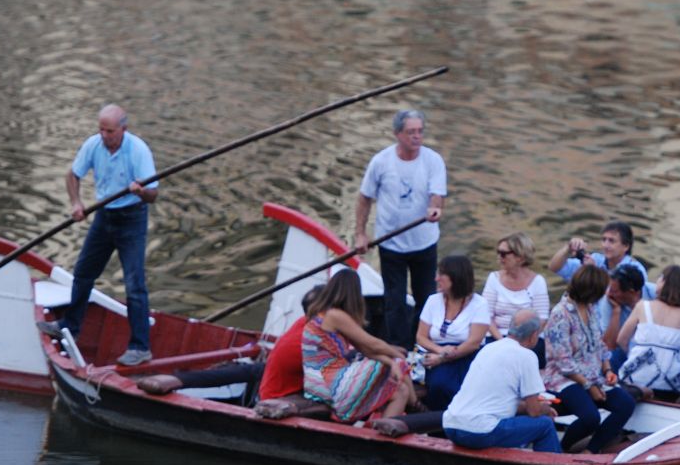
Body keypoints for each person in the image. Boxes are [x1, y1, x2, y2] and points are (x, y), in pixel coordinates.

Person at [37, 104, 159, 367]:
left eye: (110, 131)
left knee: (134, 284)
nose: (105, 136)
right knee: (83, 273)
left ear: (123, 130)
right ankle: (70, 325)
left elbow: (153, 194)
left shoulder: (138, 150)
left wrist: (140, 191)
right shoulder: (93, 145)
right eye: (101, 130)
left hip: (132, 218)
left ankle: (140, 347)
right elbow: (73, 175)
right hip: (105, 216)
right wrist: (76, 203)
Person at [354, 109, 447, 350]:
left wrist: (434, 209)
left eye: (420, 131)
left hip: (424, 243)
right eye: (411, 132)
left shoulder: (433, 160)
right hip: (391, 244)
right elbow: (365, 199)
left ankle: (420, 345)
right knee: (393, 300)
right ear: (398, 134)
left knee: (425, 299)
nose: (417, 137)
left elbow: (437, 195)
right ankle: (397, 350)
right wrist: (361, 233)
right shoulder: (381, 162)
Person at [137, 284, 324, 403]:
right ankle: (180, 381)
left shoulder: (304, 323)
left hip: (266, 380)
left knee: (252, 371)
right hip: (275, 394)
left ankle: (181, 380)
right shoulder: (310, 337)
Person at [544, 264, 639, 453]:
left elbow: (600, 345)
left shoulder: (591, 309)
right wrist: (589, 386)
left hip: (594, 374)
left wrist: (608, 369)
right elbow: (563, 362)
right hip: (565, 379)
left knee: (626, 404)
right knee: (591, 417)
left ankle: (592, 449)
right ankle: (560, 449)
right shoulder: (560, 314)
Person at [301, 270, 415, 424]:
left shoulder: (327, 313)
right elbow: (372, 343)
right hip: (325, 381)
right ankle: (417, 406)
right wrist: (396, 355)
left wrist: (391, 360)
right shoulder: (334, 315)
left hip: (322, 379)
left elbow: (365, 349)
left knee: (401, 391)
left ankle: (382, 437)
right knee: (399, 364)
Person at [441, 310, 562, 452]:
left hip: (451, 426)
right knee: (545, 425)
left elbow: (503, 402)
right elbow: (534, 411)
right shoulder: (527, 356)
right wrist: (545, 409)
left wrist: (534, 408)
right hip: (480, 431)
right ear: (534, 335)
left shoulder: (488, 348)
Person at [416, 255, 491, 409]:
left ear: (455, 278)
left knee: (445, 385)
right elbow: (421, 336)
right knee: (438, 383)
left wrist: (443, 358)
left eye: (441, 275)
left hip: (465, 356)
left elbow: (473, 343)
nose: (436, 279)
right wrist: (440, 351)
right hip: (435, 352)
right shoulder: (433, 300)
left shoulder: (479, 304)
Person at [616, 264, 680, 400]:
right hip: (669, 387)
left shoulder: (643, 306)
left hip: (635, 380)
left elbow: (621, 340)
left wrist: (636, 356)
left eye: (660, 278)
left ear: (665, 283)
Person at [483, 232, 551, 338]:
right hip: (497, 336)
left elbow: (542, 319)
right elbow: (486, 315)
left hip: (527, 339)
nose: (499, 257)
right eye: (498, 252)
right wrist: (502, 341)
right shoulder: (493, 278)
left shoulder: (538, 282)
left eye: (503, 253)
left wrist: (521, 341)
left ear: (520, 257)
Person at [548, 220, 648, 286]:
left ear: (626, 246)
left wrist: (594, 272)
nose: (605, 245)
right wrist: (568, 248)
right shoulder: (596, 259)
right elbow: (554, 267)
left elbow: (619, 293)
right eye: (604, 240)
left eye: (611, 241)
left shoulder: (636, 270)